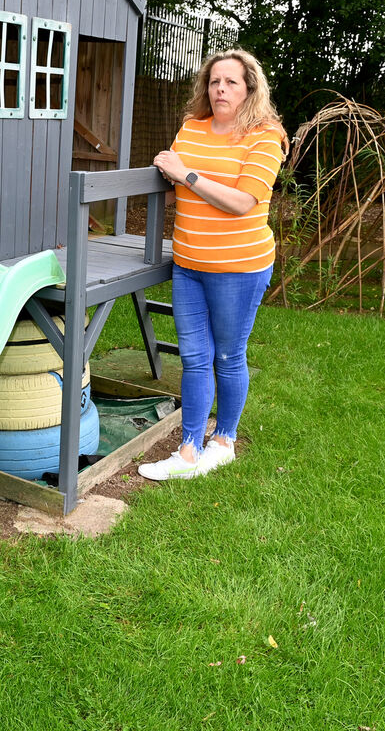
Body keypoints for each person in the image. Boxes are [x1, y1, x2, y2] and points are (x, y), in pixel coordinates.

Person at [138, 50, 288, 481]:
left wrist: (186, 175)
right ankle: (188, 450)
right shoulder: (192, 128)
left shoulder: (265, 137)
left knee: (228, 355)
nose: (220, 89)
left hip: (239, 267)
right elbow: (172, 185)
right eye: (214, 81)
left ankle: (223, 441)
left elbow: (242, 201)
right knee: (194, 357)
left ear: (250, 89)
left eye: (231, 82)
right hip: (188, 263)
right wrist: (159, 177)